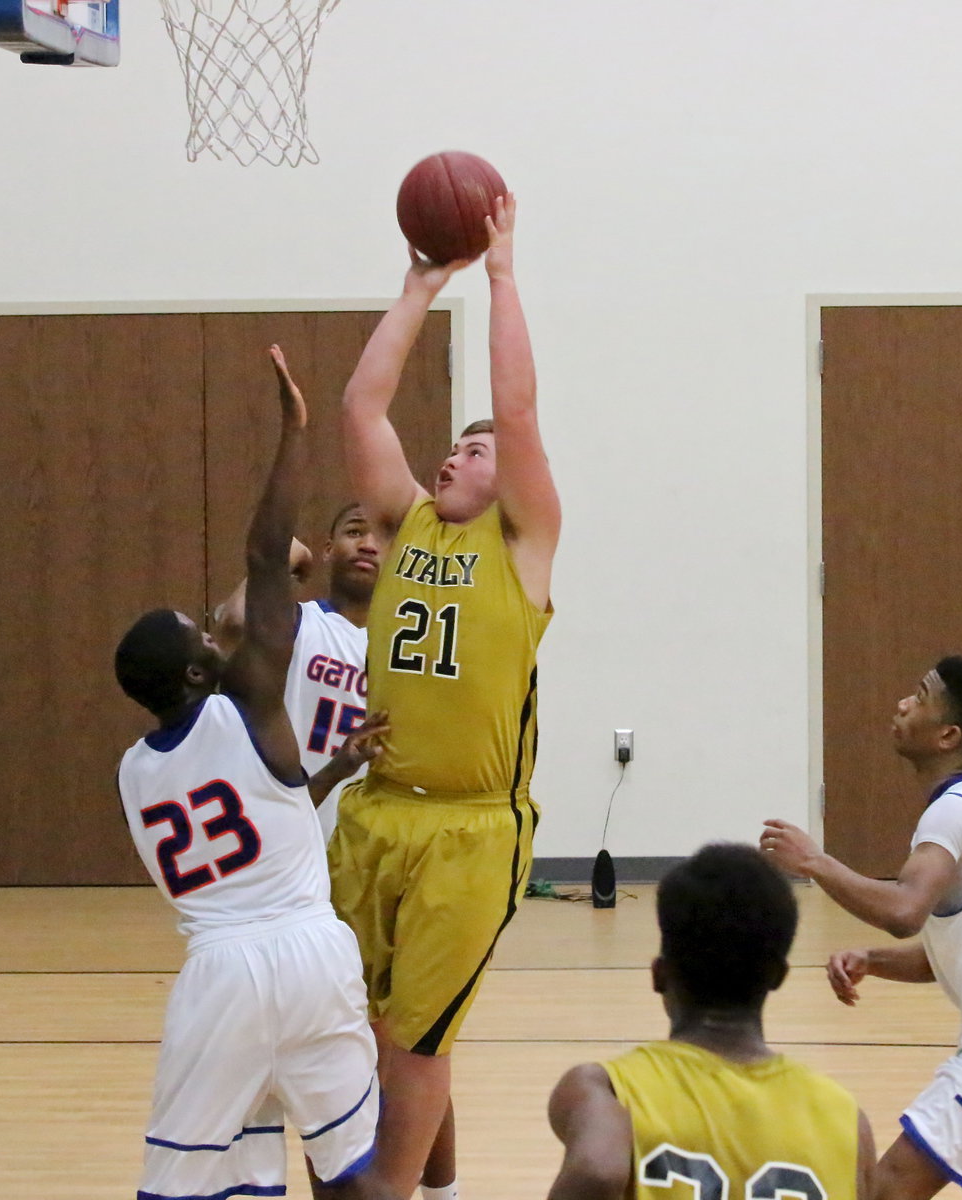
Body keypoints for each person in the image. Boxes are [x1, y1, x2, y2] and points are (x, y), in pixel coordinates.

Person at [114, 346, 389, 1200]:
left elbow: (266, 810)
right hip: (312, 954)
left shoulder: (134, 774)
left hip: (223, 976)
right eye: (200, 634)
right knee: (350, 1174)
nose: (213, 629)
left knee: (193, 1188)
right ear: (199, 675)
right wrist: (294, 433)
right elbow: (269, 560)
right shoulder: (253, 710)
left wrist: (335, 767)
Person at [329, 192, 561, 1200]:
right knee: (369, 1030)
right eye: (453, 447)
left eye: (474, 450)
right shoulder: (404, 522)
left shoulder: (524, 545)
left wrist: (502, 273)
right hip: (375, 814)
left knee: (415, 1043)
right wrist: (421, 286)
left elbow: (516, 414)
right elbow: (360, 410)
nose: (454, 454)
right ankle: (441, 1187)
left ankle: (388, 1191)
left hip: (472, 832)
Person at [546, 843, 876, 1200]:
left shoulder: (605, 1090)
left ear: (659, 975)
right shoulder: (845, 1119)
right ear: (778, 976)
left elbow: (598, 1170)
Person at [761, 655, 962, 1200]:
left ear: (948, 734)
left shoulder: (953, 813)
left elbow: (905, 912)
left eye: (920, 696)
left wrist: (815, 862)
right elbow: (946, 953)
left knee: (888, 1188)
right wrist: (874, 961)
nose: (902, 703)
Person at [214, 501, 387, 841]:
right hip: (284, 828)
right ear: (327, 549)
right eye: (354, 532)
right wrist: (287, 557)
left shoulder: (399, 649)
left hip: (364, 838)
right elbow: (234, 622)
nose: (367, 544)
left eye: (381, 539)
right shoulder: (298, 621)